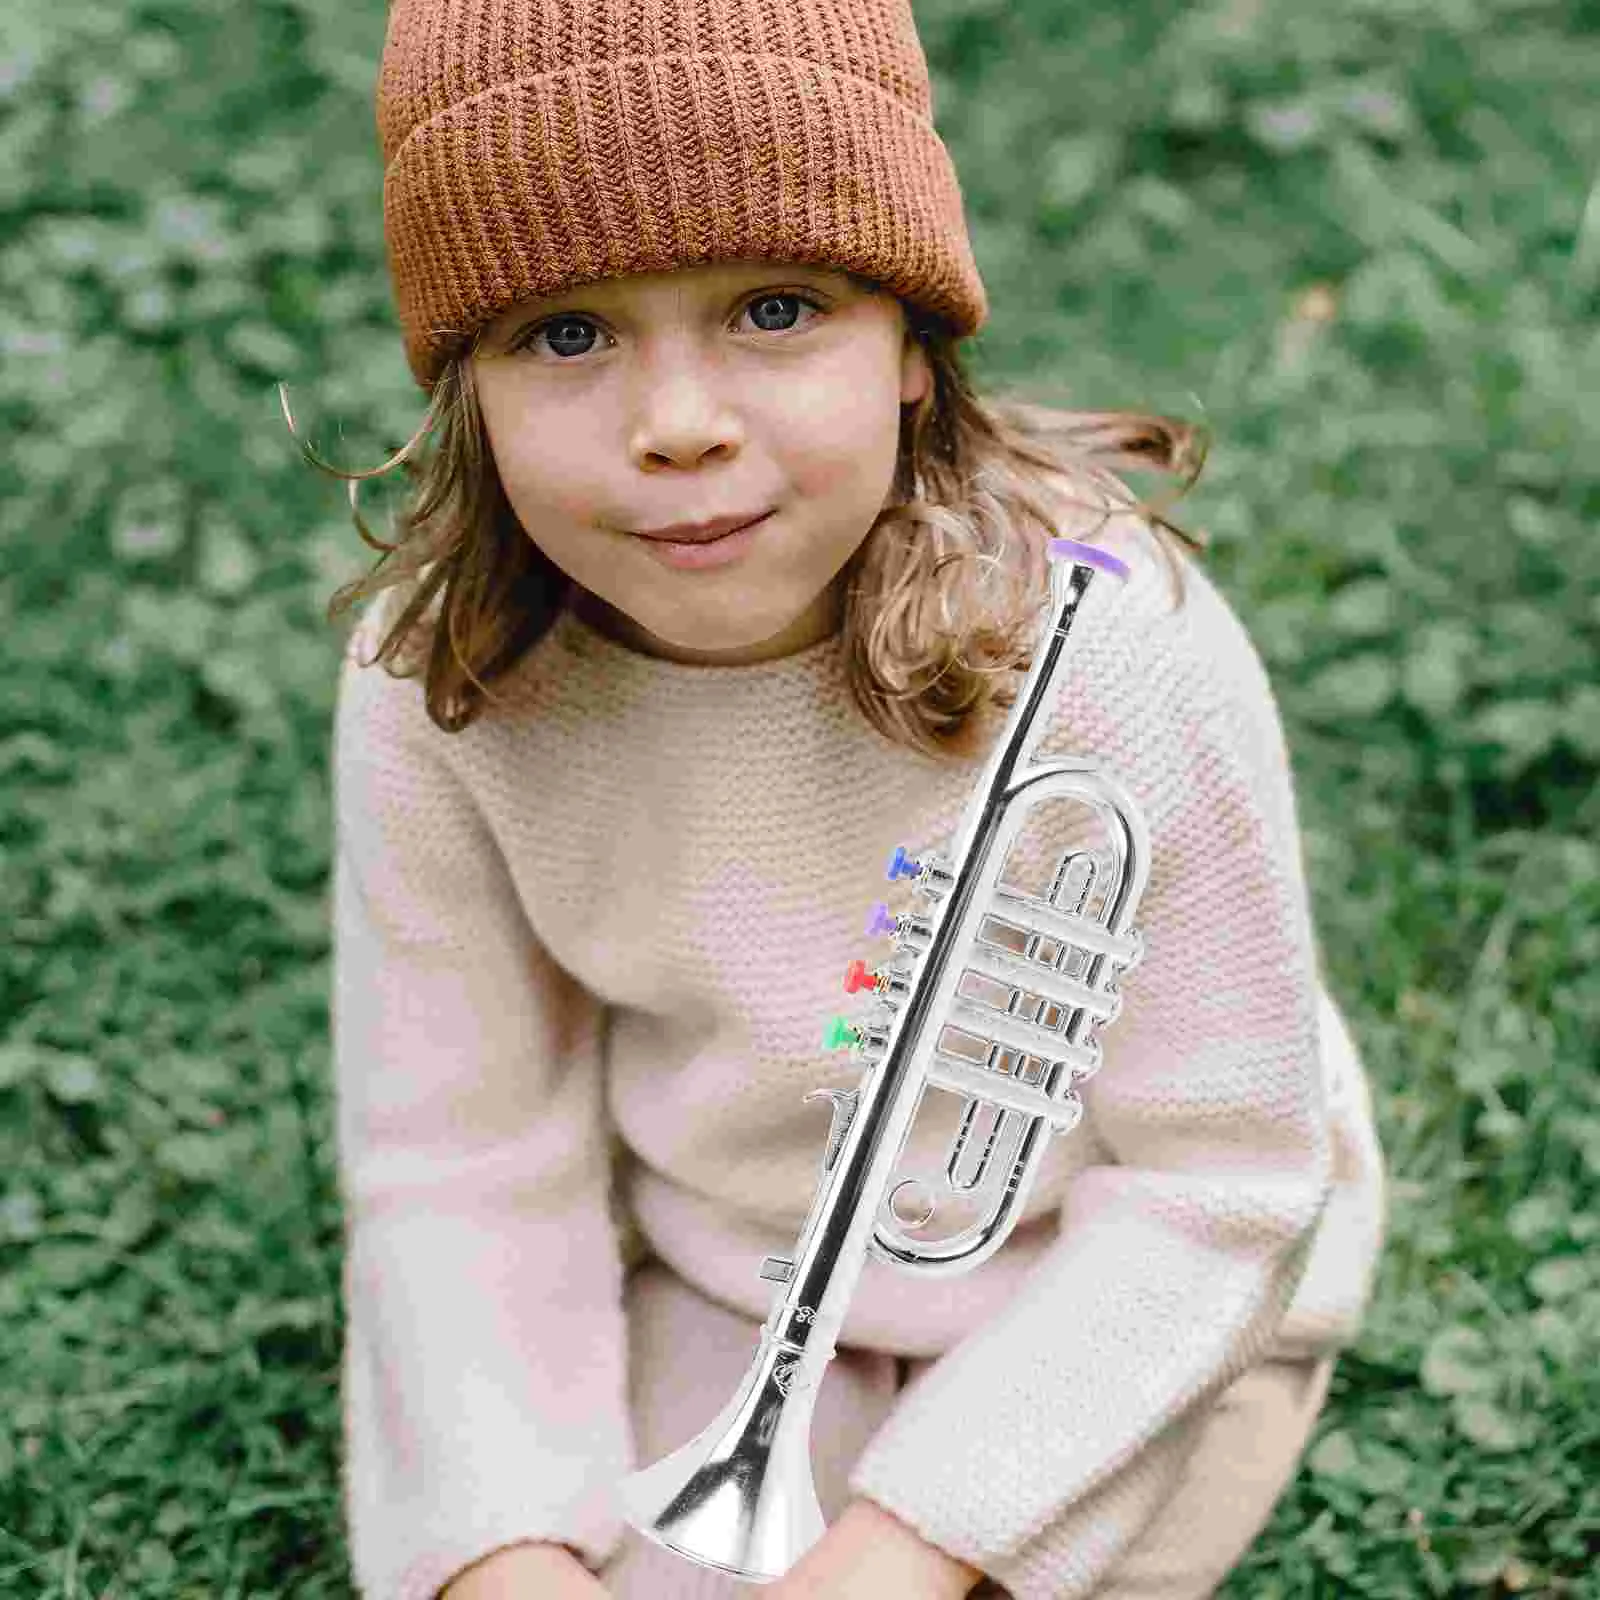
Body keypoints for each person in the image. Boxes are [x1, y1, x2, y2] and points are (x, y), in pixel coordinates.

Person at [304, 1, 1387, 1595]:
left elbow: (1216, 1181)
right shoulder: (436, 683)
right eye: (568, 333)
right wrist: (500, 1551)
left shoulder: (1110, 645)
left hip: (1118, 1278)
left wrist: (915, 1547)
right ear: (466, 379)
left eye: (776, 307)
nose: (680, 426)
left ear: (908, 344)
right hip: (730, 1258)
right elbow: (464, 1168)